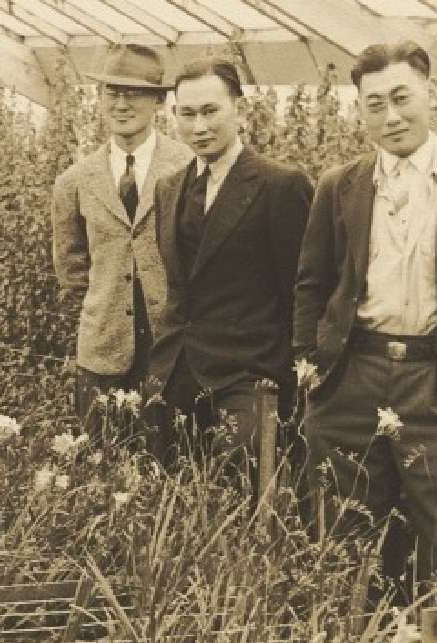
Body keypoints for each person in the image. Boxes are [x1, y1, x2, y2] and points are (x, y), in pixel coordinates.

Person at [295, 41, 437, 605]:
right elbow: (311, 283)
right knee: (340, 535)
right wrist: (313, 367)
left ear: (431, 95)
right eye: (374, 104)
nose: (391, 115)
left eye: (402, 97)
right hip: (352, 377)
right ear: (360, 110)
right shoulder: (339, 185)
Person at [147, 57, 313, 461]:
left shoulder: (280, 186)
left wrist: (289, 380)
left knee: (245, 500)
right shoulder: (169, 188)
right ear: (173, 116)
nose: (199, 127)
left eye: (210, 111)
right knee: (167, 504)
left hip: (248, 378)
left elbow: (301, 291)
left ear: (239, 108)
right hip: (174, 375)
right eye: (187, 114)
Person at [52, 44, 192, 438]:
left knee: (171, 460)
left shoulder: (186, 168)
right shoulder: (75, 181)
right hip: (103, 352)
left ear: (160, 101)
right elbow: (71, 265)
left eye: (135, 93)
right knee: (101, 461)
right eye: (112, 92)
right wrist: (99, 314)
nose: (122, 104)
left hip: (172, 347)